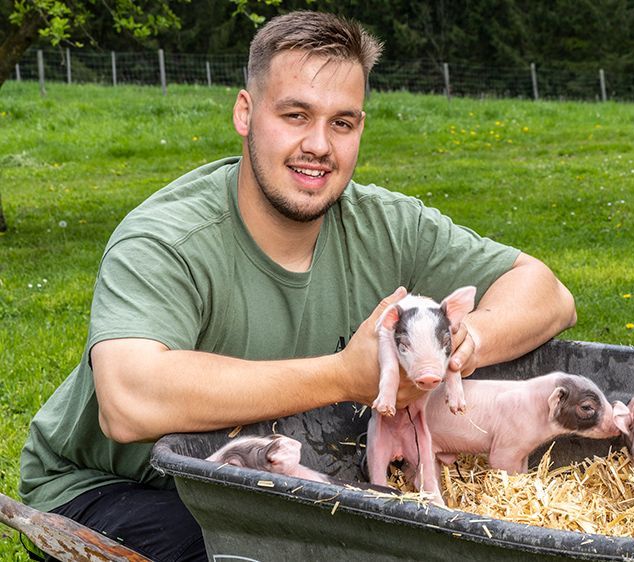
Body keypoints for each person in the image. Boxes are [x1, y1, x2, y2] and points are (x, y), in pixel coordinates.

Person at [18, 11, 576, 562]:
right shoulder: (167, 240)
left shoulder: (388, 224)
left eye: (342, 123)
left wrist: (459, 343)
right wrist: (342, 376)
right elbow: (128, 401)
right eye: (295, 114)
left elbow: (547, 292)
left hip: (274, 478)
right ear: (246, 112)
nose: (319, 145)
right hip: (117, 486)